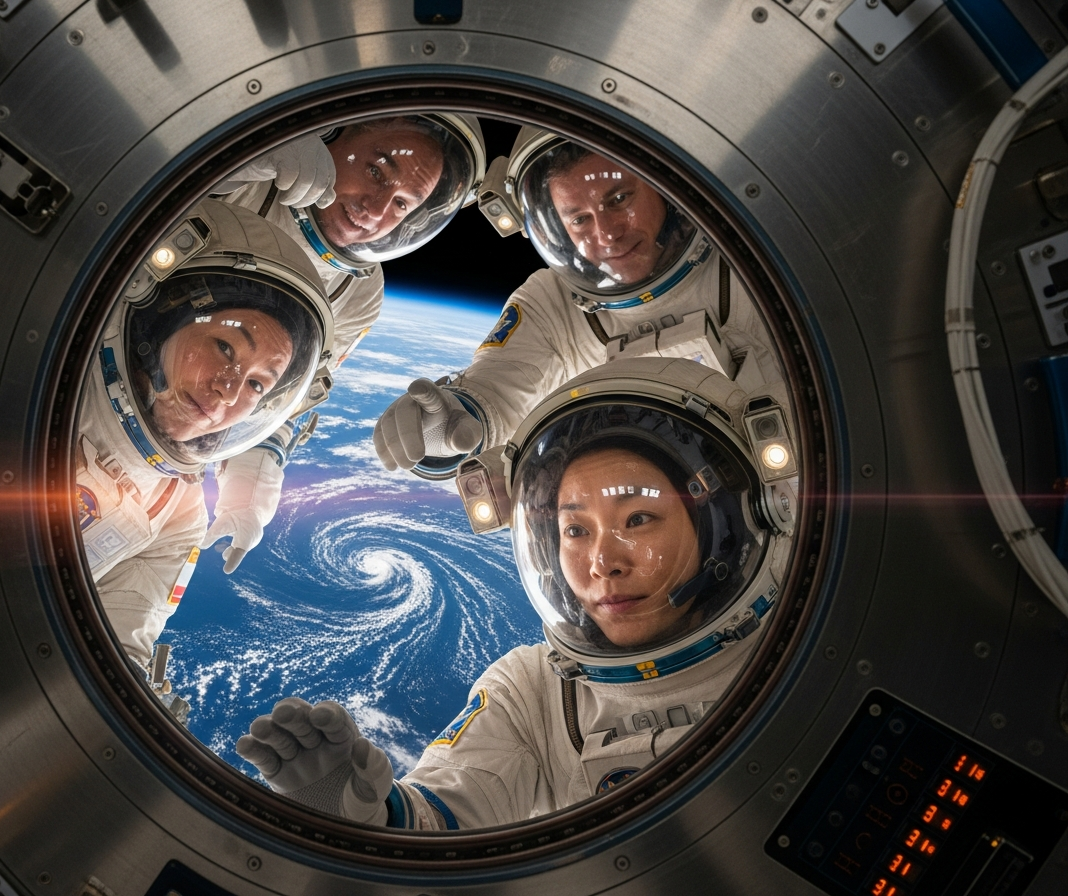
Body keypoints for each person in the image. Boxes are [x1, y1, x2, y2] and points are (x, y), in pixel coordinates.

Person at [235, 357, 797, 828]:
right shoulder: (532, 691)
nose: (603, 562)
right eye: (575, 530)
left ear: (720, 528)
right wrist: (369, 815)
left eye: (640, 517)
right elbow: (449, 815)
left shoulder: (807, 644)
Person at [372, 129, 787, 480]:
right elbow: (499, 386)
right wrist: (456, 420)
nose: (606, 234)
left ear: (666, 187)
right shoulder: (553, 304)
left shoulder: (758, 262)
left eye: (619, 199)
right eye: (579, 219)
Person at [206, 113, 486, 567]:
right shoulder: (249, 180)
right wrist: (245, 148)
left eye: (401, 205)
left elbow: (282, 397)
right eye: (376, 171)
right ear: (331, 135)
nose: (374, 211)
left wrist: (247, 496)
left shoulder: (359, 291)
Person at [80, 198, 332, 668]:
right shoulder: (46, 365)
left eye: (257, 384)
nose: (228, 390)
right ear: (160, 318)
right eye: (225, 347)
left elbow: (115, 653)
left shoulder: (177, 514)